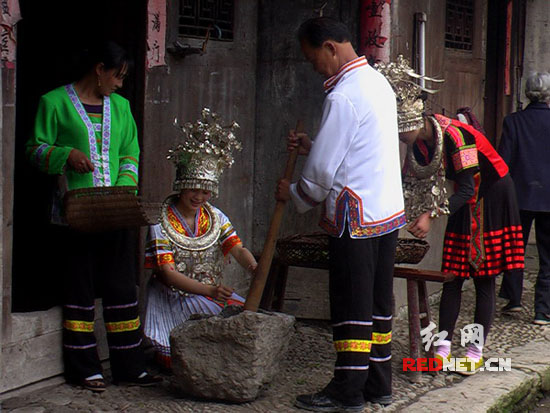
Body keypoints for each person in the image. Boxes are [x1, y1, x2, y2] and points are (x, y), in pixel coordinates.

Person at [275, 17, 405, 412]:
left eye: (313, 57)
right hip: (384, 212)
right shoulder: (378, 83)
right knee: (377, 303)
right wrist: (314, 144)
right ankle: (378, 384)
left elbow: (321, 174)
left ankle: (347, 391)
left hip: (356, 216)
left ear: (330, 47)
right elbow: (356, 147)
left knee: (351, 304)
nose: (314, 66)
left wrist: (295, 193)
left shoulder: (343, 94)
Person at [375, 56, 524, 375]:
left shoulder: (457, 137)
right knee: (453, 274)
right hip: (463, 196)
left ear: (417, 121)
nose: (402, 139)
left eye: (404, 132)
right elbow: (406, 180)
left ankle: (474, 349)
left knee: (483, 275)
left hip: (492, 194)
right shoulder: (419, 144)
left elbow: (469, 190)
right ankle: (443, 346)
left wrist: (430, 215)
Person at [25, 41, 161, 392]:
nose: (120, 83)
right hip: (75, 215)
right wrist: (65, 154)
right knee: (79, 288)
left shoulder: (122, 107)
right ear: (99, 69)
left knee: (120, 287)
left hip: (114, 212)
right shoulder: (53, 103)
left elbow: (130, 152)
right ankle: (85, 369)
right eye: (117, 76)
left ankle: (130, 366)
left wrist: (124, 186)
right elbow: (34, 150)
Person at [144, 108, 257, 370]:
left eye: (206, 192)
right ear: (181, 186)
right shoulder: (159, 221)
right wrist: (210, 291)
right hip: (173, 298)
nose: (199, 197)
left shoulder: (215, 216)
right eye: (194, 189)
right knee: (185, 358)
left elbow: (237, 249)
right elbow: (167, 274)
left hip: (210, 294)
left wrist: (253, 266)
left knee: (245, 322)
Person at [498, 71, 550, 324]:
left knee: (514, 248)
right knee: (548, 255)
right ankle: (543, 310)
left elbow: (502, 162)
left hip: (519, 195)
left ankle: (514, 300)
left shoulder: (513, 122)